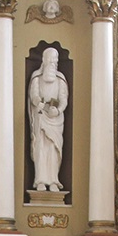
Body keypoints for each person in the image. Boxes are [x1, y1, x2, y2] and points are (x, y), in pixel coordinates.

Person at [28, 47, 68, 191]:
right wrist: (39, 103)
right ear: (44, 60)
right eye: (50, 59)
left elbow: (64, 99)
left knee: (53, 148)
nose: (53, 62)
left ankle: (53, 180)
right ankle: (40, 180)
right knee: (40, 147)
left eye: (55, 59)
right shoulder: (36, 78)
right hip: (41, 117)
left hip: (55, 120)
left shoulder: (60, 80)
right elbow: (34, 96)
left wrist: (57, 110)